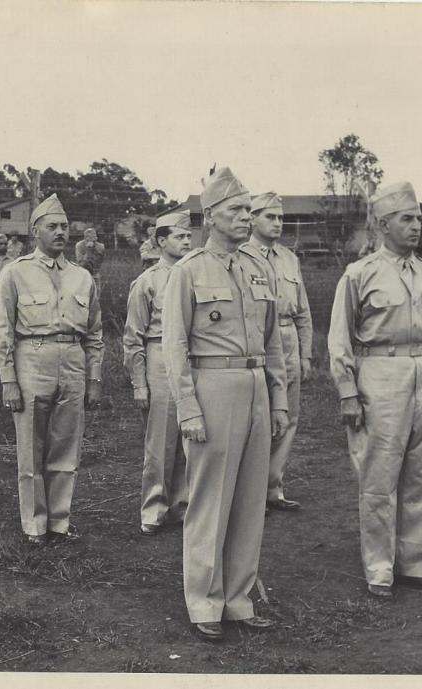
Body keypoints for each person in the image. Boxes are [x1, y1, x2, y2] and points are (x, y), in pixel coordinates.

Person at [163, 166, 288, 641]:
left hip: (255, 386)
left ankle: (239, 598)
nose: (246, 217)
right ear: (211, 216)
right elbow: (175, 346)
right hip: (212, 385)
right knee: (210, 499)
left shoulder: (258, 268)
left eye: (248, 209)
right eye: (236, 209)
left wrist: (278, 400)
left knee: (251, 500)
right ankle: (204, 600)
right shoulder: (188, 270)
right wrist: (188, 408)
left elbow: (273, 342)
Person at [327, 181, 422, 599]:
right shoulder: (360, 274)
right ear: (382, 225)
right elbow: (340, 339)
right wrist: (347, 392)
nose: (416, 226)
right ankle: (380, 567)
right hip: (380, 372)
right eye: (406, 219)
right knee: (379, 474)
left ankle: (415, 562)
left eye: (419, 219)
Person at [0, 193, 104, 546]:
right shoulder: (15, 272)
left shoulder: (82, 277)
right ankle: (34, 525)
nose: (60, 232)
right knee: (31, 446)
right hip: (32, 358)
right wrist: (8, 380)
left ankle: (59, 522)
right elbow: (2, 331)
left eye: (65, 227)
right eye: (52, 226)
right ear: (34, 231)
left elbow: (95, 333)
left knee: (66, 447)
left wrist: (94, 378)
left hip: (72, 359)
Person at [123, 210, 193, 535]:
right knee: (161, 440)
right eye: (180, 237)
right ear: (161, 242)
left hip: (191, 359)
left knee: (190, 434)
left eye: (189, 236)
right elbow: (132, 337)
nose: (187, 242)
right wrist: (139, 383)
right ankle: (153, 508)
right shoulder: (148, 281)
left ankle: (183, 505)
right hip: (159, 357)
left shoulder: (195, 276)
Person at [242, 192, 313, 512]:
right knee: (258, 416)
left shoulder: (288, 258)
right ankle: (251, 492)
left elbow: (303, 311)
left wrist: (306, 354)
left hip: (288, 338)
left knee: (289, 417)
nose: (278, 223)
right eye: (270, 217)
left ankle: (274, 488)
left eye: (281, 218)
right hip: (257, 340)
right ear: (252, 218)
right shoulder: (241, 256)